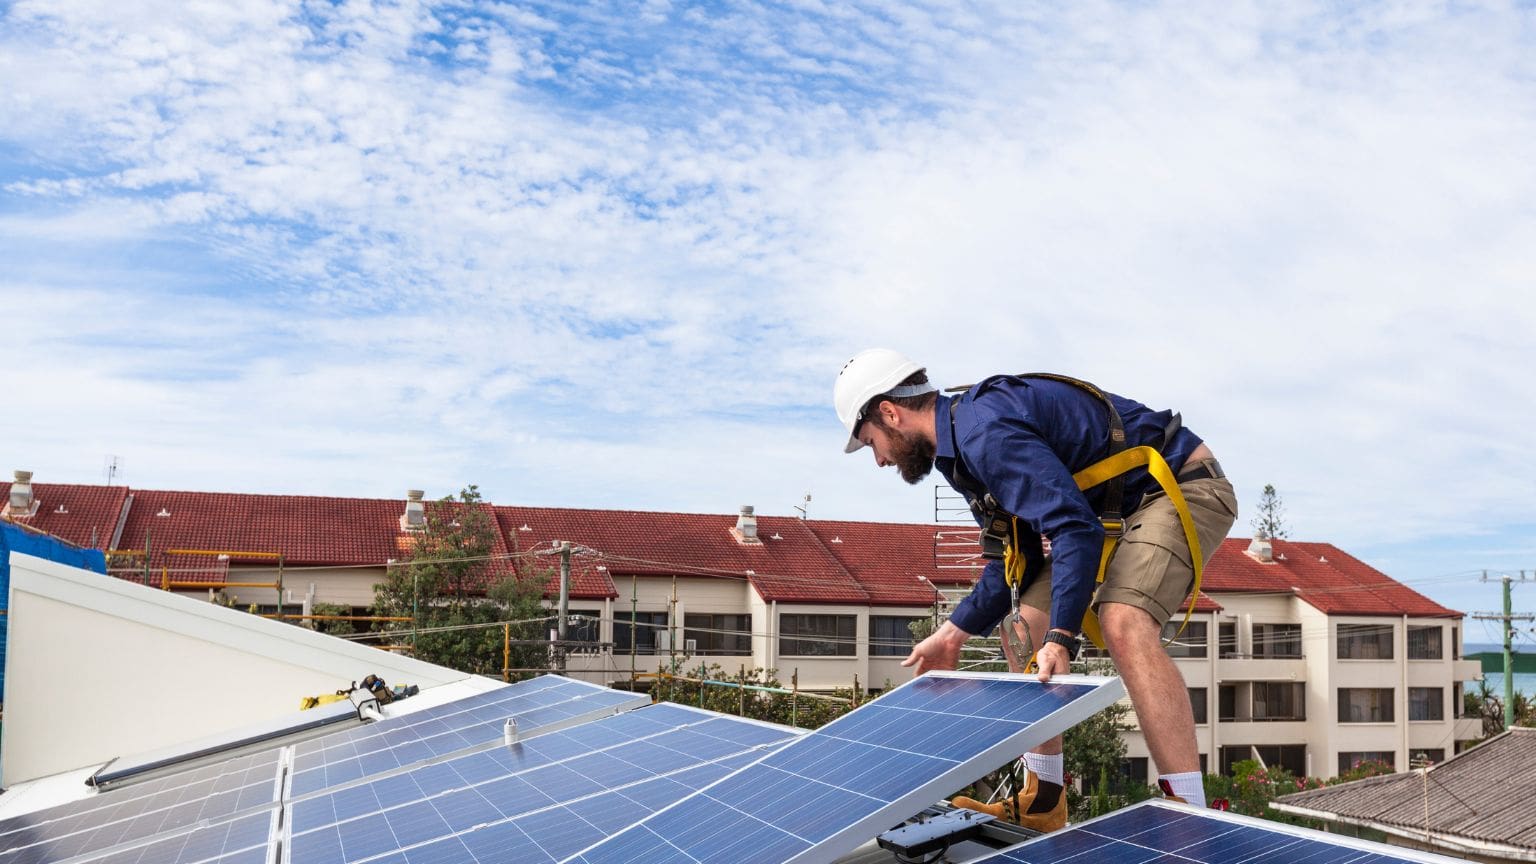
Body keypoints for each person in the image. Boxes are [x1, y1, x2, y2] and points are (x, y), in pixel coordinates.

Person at [834, 348, 1237, 831]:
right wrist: (952, 634)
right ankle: (1043, 801)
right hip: (1107, 513)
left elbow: (1074, 530)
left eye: (872, 442)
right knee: (1023, 627)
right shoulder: (960, 453)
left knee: (1122, 622)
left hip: (1179, 486)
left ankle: (1189, 816)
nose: (879, 459)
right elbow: (1015, 561)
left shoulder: (984, 432)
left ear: (890, 412)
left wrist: (1062, 637)